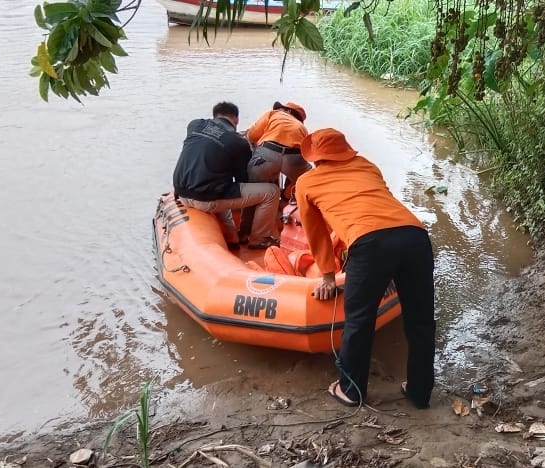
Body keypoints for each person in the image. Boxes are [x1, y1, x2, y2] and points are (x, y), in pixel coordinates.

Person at [295, 128, 436, 409]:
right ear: (345, 149)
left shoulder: (306, 182)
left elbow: (316, 233)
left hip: (369, 244)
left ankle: (351, 391)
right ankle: (420, 393)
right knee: (421, 321)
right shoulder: (367, 165)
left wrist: (327, 275)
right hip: (415, 236)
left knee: (359, 320)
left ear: (314, 158)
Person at [172, 101, 280, 250]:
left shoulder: (194, 125)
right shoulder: (238, 142)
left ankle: (233, 239)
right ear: (236, 120)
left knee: (220, 183)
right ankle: (259, 238)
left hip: (182, 193)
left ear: (215, 115)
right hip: (206, 198)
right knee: (272, 192)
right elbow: (243, 179)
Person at [239, 101, 311, 243]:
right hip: (294, 158)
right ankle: (286, 198)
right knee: (309, 179)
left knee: (254, 192)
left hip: (267, 154)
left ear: (288, 111)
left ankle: (244, 233)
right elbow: (307, 154)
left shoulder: (273, 114)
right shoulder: (302, 128)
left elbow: (252, 136)